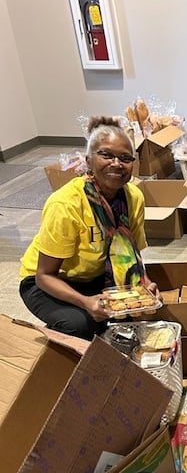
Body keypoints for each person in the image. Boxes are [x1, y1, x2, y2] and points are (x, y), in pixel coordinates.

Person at [19, 116, 158, 340]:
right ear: (89, 160)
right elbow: (44, 276)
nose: (116, 163)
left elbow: (131, 254)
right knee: (80, 325)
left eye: (125, 158)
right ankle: (51, 346)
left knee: (133, 318)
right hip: (48, 282)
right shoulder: (66, 204)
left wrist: (144, 283)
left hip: (95, 277)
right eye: (106, 155)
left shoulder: (134, 197)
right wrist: (85, 302)